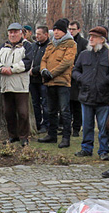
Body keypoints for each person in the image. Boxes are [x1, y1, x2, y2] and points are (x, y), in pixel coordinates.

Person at [72, 26, 109, 160]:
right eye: (90, 36)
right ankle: (86, 148)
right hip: (86, 95)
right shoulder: (84, 54)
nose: (90, 39)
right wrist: (81, 79)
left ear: (102, 40)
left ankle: (103, 150)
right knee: (87, 125)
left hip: (103, 97)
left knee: (104, 127)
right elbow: (75, 70)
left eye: (94, 37)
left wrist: (106, 80)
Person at [37, 18, 77, 148]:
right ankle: (52, 135)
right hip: (49, 82)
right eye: (54, 30)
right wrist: (43, 70)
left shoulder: (70, 44)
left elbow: (67, 62)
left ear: (64, 31)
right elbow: (44, 59)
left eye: (59, 30)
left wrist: (51, 73)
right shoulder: (51, 44)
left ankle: (66, 137)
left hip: (62, 82)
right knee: (51, 110)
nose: (56, 32)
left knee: (65, 111)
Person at [0, 23, 33, 146]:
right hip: (6, 85)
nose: (13, 34)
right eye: (11, 32)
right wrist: (1, 68)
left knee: (23, 112)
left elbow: (27, 63)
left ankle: (24, 137)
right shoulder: (2, 47)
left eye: (15, 32)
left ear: (21, 33)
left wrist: (12, 69)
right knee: (8, 112)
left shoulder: (27, 46)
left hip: (21, 86)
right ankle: (12, 135)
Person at [68, 21, 88, 137]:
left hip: (79, 78)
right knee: (68, 105)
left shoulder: (83, 43)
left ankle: (76, 127)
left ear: (78, 30)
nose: (71, 31)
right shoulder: (67, 42)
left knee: (77, 105)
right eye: (69, 29)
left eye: (73, 29)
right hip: (68, 77)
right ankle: (67, 126)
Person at [30, 25, 50, 133]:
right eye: (36, 33)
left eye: (39, 34)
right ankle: (37, 123)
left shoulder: (49, 47)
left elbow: (48, 62)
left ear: (46, 34)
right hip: (32, 81)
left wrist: (35, 70)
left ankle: (46, 124)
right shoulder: (33, 46)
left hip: (43, 80)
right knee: (35, 103)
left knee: (45, 103)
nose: (36, 36)